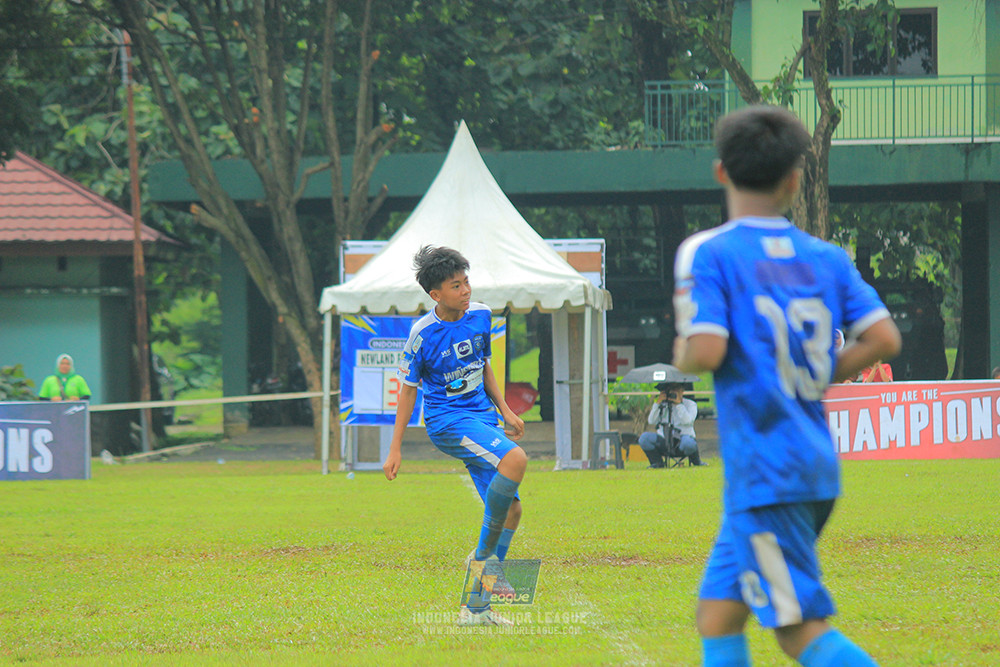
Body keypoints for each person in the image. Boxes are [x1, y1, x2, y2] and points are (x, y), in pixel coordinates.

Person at [672, 105, 902, 666]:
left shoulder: (710, 251)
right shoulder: (827, 257)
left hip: (766, 473)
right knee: (719, 613)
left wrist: (681, 349)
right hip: (812, 462)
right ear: (796, 179)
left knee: (797, 627)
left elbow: (705, 351)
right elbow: (883, 339)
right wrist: (816, 374)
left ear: (720, 171)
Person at [382, 245, 526, 628]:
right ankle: (485, 560)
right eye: (456, 285)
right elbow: (409, 391)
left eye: (467, 282)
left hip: (482, 419)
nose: (466, 291)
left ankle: (475, 610)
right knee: (516, 460)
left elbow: (485, 366)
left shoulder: (480, 315)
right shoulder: (421, 335)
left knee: (512, 509)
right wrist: (395, 448)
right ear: (436, 294)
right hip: (447, 422)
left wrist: (505, 410)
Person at [637, 382, 705, 467]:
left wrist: (679, 405)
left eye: (676, 390)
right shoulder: (662, 404)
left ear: (682, 391)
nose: (673, 393)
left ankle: (696, 461)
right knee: (644, 438)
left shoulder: (690, 404)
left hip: (682, 440)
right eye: (671, 391)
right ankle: (657, 463)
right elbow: (651, 421)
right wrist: (658, 403)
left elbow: (688, 421)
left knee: (689, 444)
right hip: (664, 440)